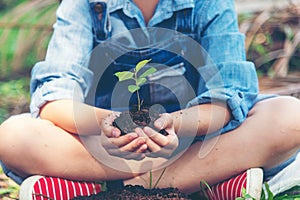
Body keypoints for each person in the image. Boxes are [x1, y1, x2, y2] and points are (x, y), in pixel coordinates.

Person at [0, 0, 299, 199]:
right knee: (12, 136)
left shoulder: (208, 4)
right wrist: (111, 124)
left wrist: (176, 125)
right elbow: (55, 96)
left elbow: (228, 94)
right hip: (106, 148)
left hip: (195, 141)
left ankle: (106, 188)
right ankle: (207, 182)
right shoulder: (85, 6)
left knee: (290, 116)